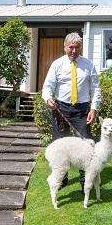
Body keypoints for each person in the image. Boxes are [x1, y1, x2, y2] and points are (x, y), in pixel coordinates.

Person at [41, 32, 102, 189]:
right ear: (65, 47)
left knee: (86, 147)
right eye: (71, 47)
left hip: (82, 110)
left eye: (77, 47)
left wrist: (94, 108)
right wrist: (48, 99)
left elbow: (96, 89)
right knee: (60, 145)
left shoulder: (88, 65)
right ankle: (62, 178)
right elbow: (47, 87)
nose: (74, 51)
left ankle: (85, 182)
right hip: (61, 109)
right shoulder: (57, 64)